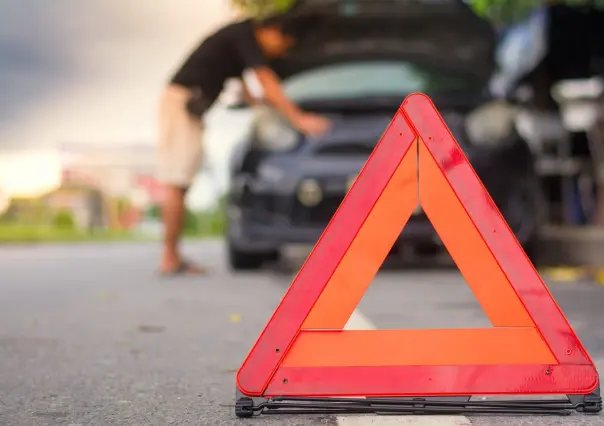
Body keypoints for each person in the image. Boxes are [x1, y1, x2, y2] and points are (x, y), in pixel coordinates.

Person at [157, 12, 331, 276]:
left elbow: (251, 92)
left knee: (182, 181)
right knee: (177, 181)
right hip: (181, 104)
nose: (280, 52)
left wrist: (261, 105)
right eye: (284, 45)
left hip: (188, 106)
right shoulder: (245, 35)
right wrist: (299, 119)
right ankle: (169, 257)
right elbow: (266, 81)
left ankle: (172, 255)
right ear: (274, 32)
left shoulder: (238, 43)